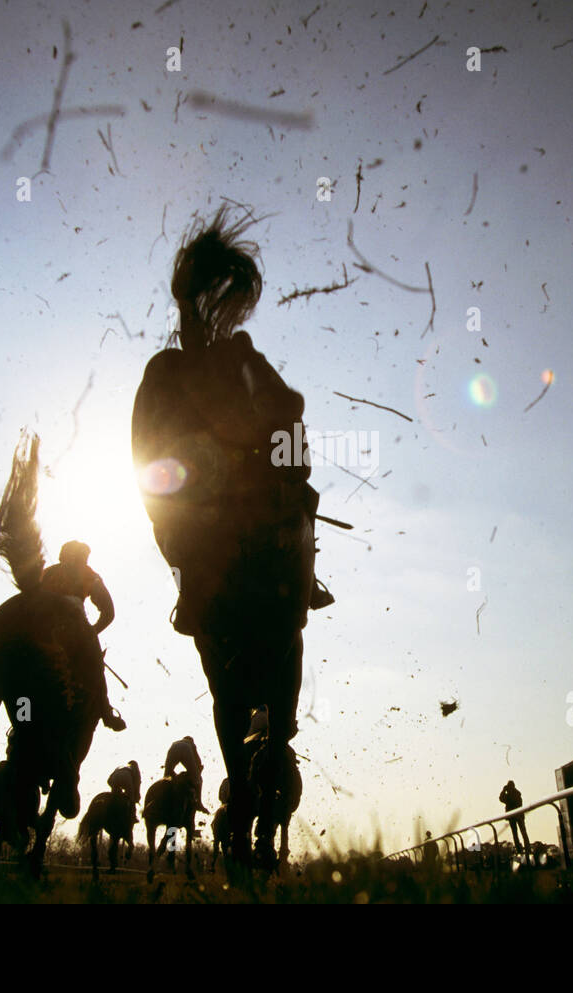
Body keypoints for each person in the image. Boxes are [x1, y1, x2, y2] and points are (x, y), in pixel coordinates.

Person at [132, 207, 331, 865]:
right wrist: (280, 477)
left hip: (206, 532)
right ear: (219, 303)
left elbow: (151, 463)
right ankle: (300, 591)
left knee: (223, 688)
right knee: (296, 524)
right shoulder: (236, 363)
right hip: (243, 526)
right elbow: (290, 426)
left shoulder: (166, 370)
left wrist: (182, 531)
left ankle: (196, 592)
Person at [39, 540, 125, 730]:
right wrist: (91, 634)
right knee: (95, 663)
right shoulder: (86, 573)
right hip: (73, 626)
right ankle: (106, 711)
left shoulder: (46, 574)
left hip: (41, 628)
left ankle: (20, 722)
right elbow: (108, 612)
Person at [163, 735, 208, 813]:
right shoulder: (190, 744)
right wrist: (197, 772)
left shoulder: (175, 743)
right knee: (198, 779)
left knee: (166, 777)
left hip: (173, 749)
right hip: (185, 750)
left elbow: (169, 767)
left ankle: (163, 797)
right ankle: (199, 803)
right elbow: (198, 763)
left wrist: (172, 773)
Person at [499, 780, 533, 866]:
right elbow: (502, 799)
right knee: (519, 834)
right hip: (515, 817)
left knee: (521, 833)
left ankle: (524, 849)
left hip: (516, 816)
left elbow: (502, 799)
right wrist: (504, 790)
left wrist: (504, 791)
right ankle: (522, 849)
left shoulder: (514, 794)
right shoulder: (515, 794)